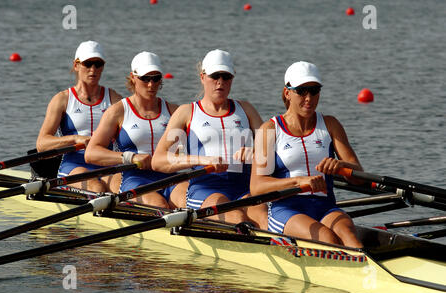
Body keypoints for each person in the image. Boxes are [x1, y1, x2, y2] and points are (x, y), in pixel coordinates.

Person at [250, 61, 363, 248]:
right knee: (327, 239)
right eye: (302, 91)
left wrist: (342, 168)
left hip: (325, 207)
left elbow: (359, 175)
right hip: (286, 210)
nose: (309, 97)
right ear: (287, 93)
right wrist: (299, 181)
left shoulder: (331, 125)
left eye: (314, 90)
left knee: (352, 239)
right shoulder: (269, 130)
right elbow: (256, 187)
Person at [151, 49, 267, 228]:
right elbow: (158, 161)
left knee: (264, 218)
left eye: (225, 76)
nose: (220, 82)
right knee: (236, 217)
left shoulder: (246, 109)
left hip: (243, 188)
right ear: (202, 77)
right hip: (205, 189)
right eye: (215, 76)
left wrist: (258, 152)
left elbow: (272, 152)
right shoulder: (187, 112)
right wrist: (202, 160)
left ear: (232, 79)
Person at [85, 51, 185, 209]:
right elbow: (91, 153)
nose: (151, 85)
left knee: (190, 203)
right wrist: (131, 157)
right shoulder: (117, 112)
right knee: (160, 205)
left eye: (156, 78)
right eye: (145, 79)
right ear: (133, 77)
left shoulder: (174, 111)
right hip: (135, 180)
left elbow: (191, 147)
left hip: (170, 178)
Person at [36, 40, 122, 192]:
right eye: (87, 64)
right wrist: (75, 139)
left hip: (107, 161)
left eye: (98, 64)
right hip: (75, 165)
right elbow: (42, 144)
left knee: (123, 188)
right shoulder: (62, 100)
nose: (93, 69)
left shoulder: (114, 99)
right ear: (76, 65)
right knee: (97, 187)